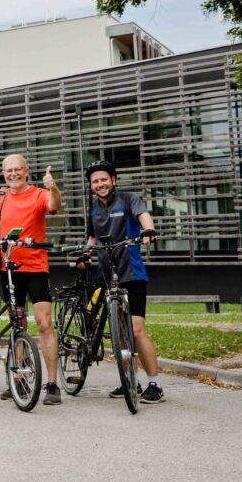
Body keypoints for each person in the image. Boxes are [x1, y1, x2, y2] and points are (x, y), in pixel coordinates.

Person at [0, 154, 63, 405]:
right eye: (9, 171)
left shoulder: (39, 193)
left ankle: (52, 384)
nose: (13, 174)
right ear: (4, 173)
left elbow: (54, 206)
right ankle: (18, 378)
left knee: (44, 323)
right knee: (18, 324)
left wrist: (53, 187)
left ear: (26, 171)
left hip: (35, 267)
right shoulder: (2, 196)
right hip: (8, 269)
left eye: (18, 170)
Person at [84, 160, 164, 403]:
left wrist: (148, 231)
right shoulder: (93, 209)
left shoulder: (129, 199)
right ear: (91, 186)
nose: (100, 184)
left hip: (131, 274)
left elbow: (144, 217)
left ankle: (155, 384)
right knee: (119, 333)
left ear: (114, 180)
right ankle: (130, 381)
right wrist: (85, 255)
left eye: (104, 179)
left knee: (136, 329)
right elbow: (92, 238)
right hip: (106, 276)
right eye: (95, 181)